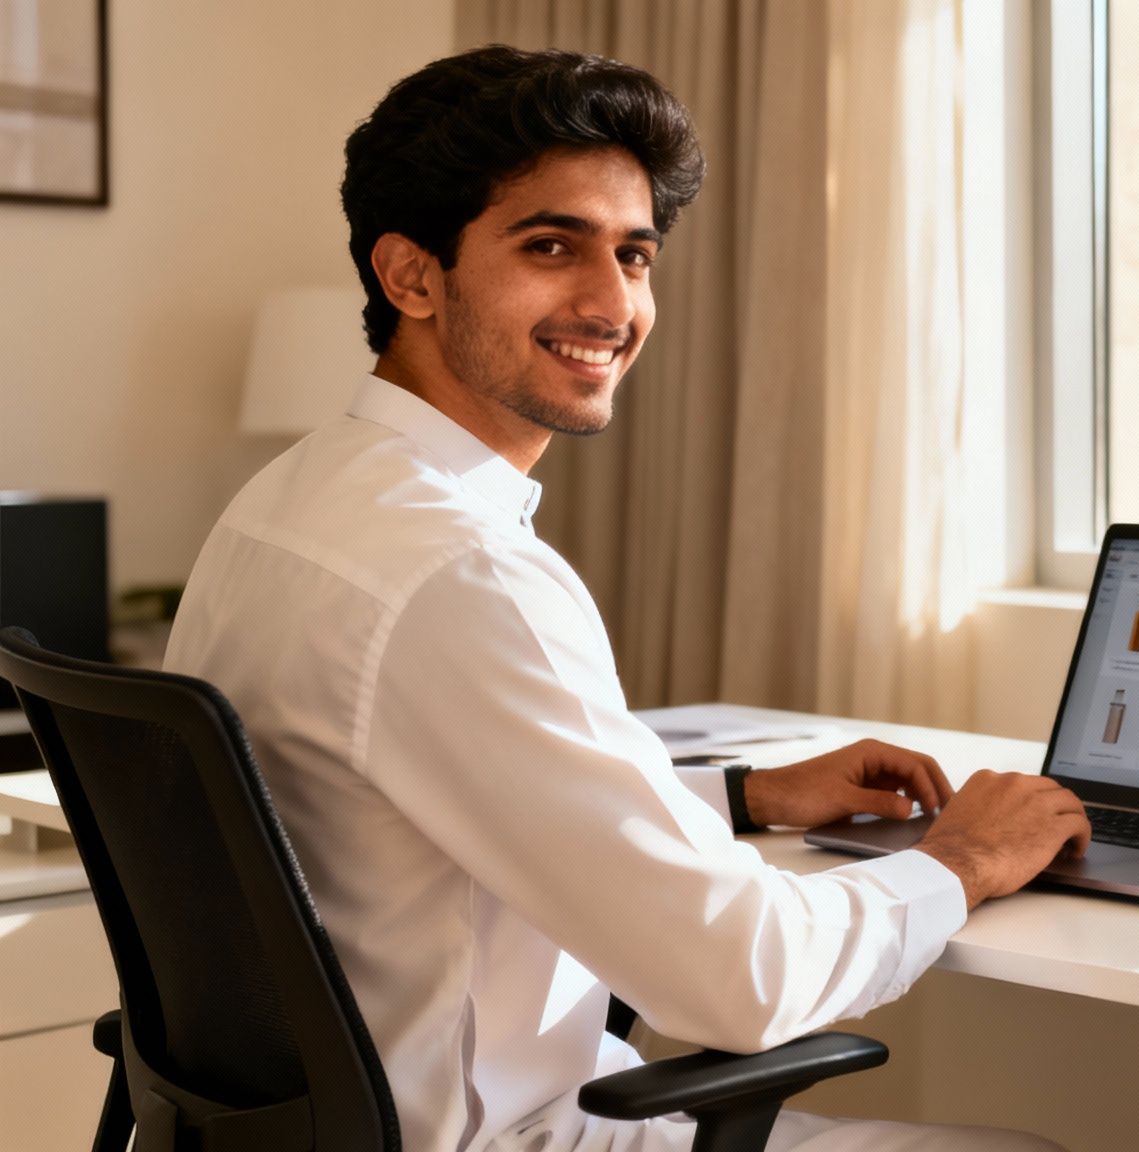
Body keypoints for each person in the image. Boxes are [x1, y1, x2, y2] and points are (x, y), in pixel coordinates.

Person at [164, 45, 1089, 1152]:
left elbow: (427, 804)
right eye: (551, 247)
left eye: (635, 256)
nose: (611, 304)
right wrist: (963, 862)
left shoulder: (288, 505)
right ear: (410, 276)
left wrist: (742, 797)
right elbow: (741, 983)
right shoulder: (461, 574)